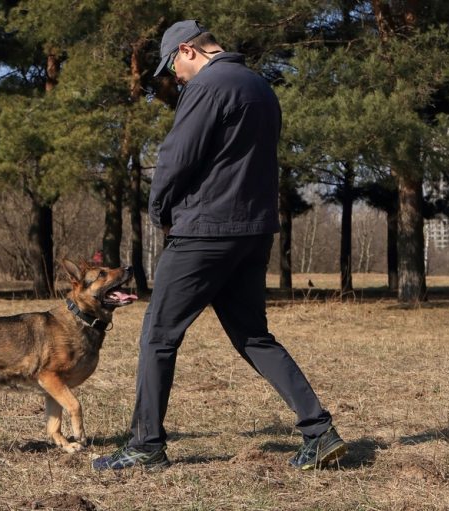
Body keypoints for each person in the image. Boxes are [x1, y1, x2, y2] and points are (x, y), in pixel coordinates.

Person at [93, 20, 346, 472]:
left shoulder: (208, 86)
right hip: (253, 231)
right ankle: (319, 431)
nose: (175, 78)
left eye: (172, 67)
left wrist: (160, 211)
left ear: (187, 51)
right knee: (253, 335)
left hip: (205, 232)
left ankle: (146, 445)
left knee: (158, 336)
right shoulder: (260, 87)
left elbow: (177, 157)